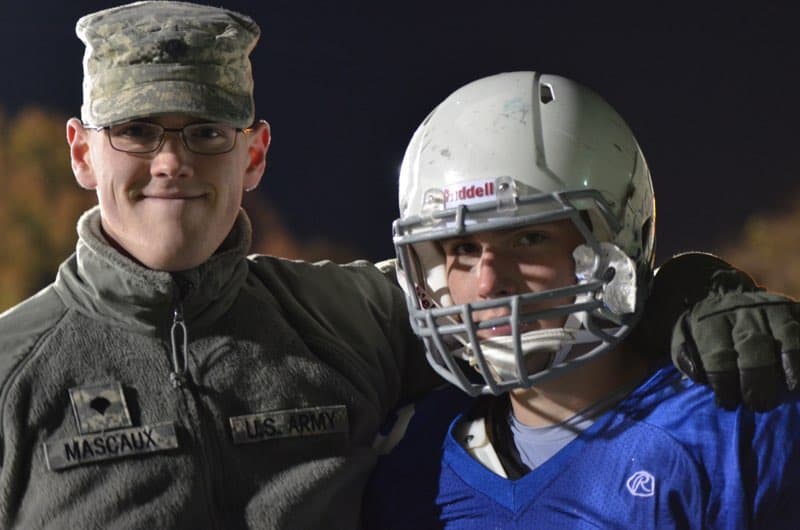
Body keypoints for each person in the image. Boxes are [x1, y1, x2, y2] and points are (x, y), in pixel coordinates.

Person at [0, 2, 794, 528]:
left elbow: (527, 311)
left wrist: (690, 291)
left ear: (255, 153)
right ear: (80, 150)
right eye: (137, 130)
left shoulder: (346, 316)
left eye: (206, 131)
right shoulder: (11, 373)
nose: (172, 160)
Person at [363, 72, 800, 529]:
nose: (488, 283)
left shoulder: (735, 429)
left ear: (617, 244)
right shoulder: (412, 458)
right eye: (463, 250)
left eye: (529, 238)